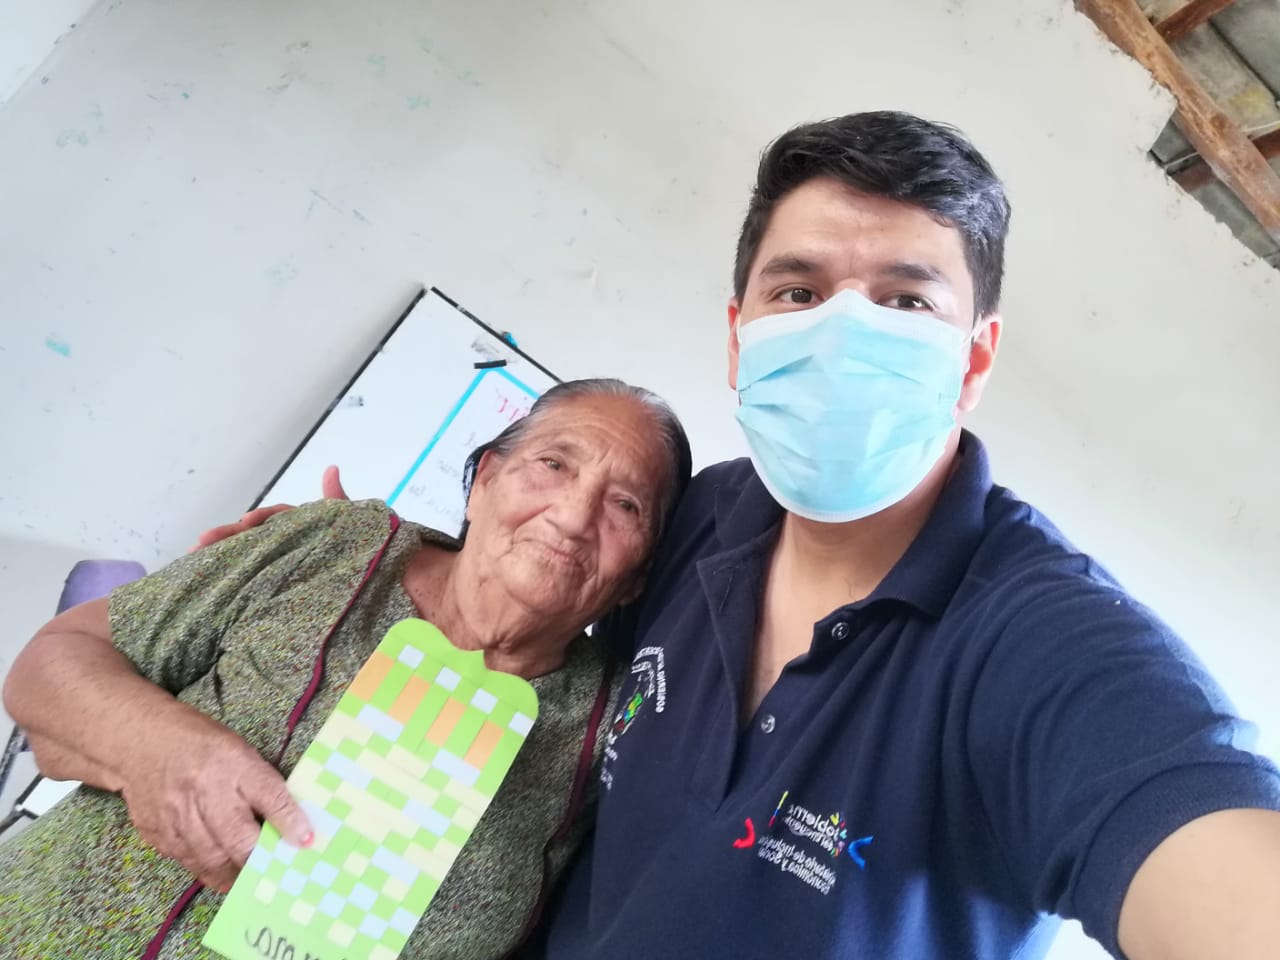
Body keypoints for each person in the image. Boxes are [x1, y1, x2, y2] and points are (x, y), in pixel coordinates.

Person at [169, 112, 1280, 959]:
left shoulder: (1042, 649)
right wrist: (368, 552)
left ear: (974, 359)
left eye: (905, 302)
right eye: (798, 290)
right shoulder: (700, 516)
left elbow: (1204, 849)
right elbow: (556, 571)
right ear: (740, 336)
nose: (843, 333)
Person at [0, 378, 692, 960]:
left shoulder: (619, 732)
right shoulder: (338, 545)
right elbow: (50, 663)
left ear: (637, 578)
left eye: (625, 505)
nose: (573, 516)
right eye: (554, 464)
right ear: (484, 480)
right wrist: (156, 748)